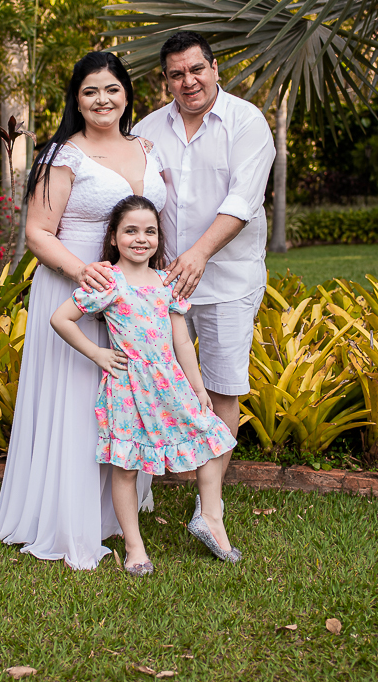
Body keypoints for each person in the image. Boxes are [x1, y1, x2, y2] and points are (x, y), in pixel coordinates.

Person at [0, 51, 165, 570]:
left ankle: (115, 512)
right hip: (75, 288)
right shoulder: (62, 155)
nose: (102, 100)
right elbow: (38, 233)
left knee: (124, 396)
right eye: (90, 91)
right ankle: (68, 516)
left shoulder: (146, 148)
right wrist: (84, 272)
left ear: (127, 94)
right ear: (77, 100)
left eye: (111, 89)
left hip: (131, 294)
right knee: (80, 402)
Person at [50, 196, 240, 575]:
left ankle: (210, 518)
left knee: (210, 440)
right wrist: (98, 354)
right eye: (131, 231)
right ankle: (134, 547)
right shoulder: (108, 282)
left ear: (158, 237)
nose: (141, 239)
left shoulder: (165, 281)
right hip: (129, 388)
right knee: (127, 466)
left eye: (149, 231)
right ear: (114, 237)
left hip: (170, 382)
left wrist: (198, 387)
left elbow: (181, 340)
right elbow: (61, 319)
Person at [133, 31, 276, 516]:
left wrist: (197, 255)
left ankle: (207, 506)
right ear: (166, 79)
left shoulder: (247, 122)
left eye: (196, 69)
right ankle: (138, 492)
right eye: (177, 74)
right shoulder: (148, 128)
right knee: (148, 381)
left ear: (215, 69)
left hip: (228, 281)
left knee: (221, 388)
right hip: (161, 284)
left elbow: (243, 201)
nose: (188, 81)